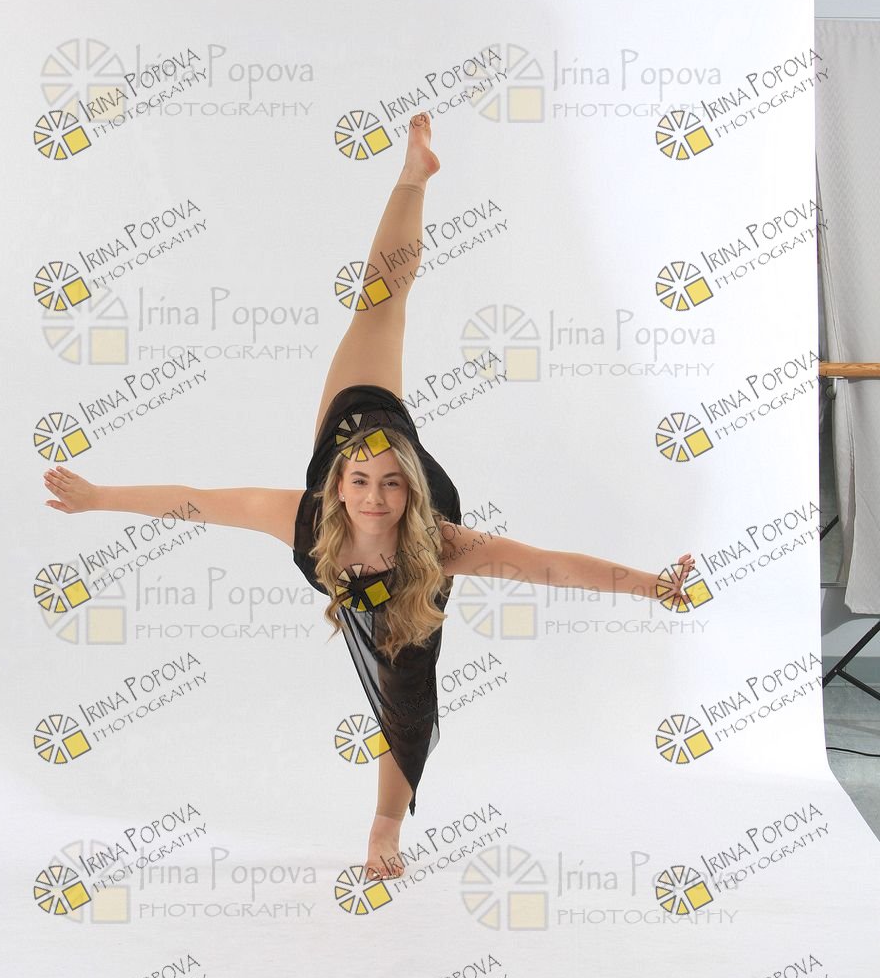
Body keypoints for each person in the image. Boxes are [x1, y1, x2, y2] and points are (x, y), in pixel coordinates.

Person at [44, 112, 695, 883]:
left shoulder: (439, 545)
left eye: (387, 486)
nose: (375, 499)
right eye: (361, 485)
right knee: (379, 301)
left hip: (410, 547)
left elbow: (549, 567)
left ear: (406, 489)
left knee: (407, 701)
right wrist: (98, 497)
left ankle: (385, 826)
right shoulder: (305, 514)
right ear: (338, 487)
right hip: (360, 424)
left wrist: (653, 586)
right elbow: (195, 502)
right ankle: (413, 177)